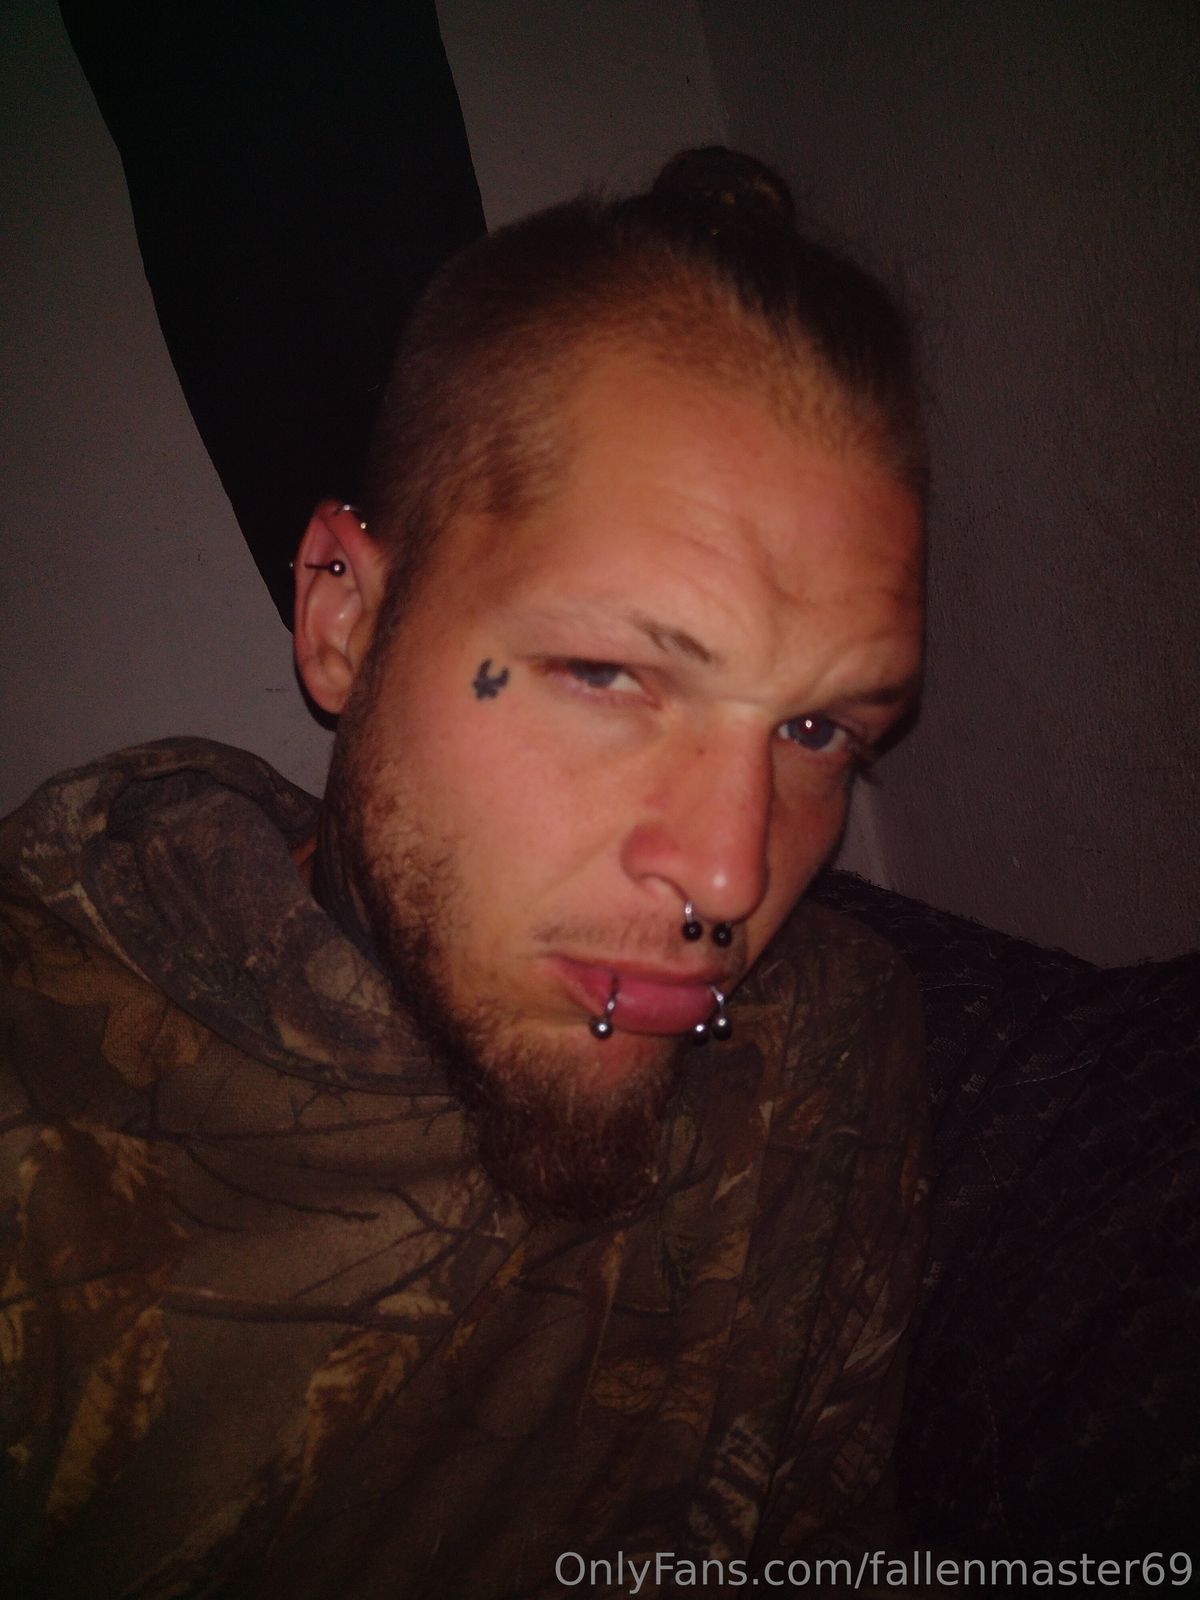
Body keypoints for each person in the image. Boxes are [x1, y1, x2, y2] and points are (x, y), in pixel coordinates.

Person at [0, 149, 929, 1597]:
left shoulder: (827, 1058)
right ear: (346, 623)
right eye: (608, 673)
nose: (731, 879)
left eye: (815, 731)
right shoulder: (35, 1106)